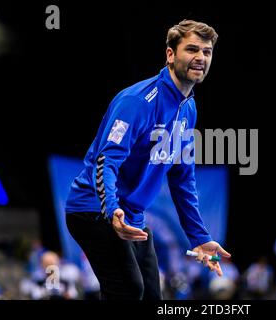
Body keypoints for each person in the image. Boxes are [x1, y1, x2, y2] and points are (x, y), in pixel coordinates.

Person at [64, 19, 231, 300]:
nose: (201, 58)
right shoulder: (138, 101)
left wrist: (200, 238)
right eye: (192, 49)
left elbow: (182, 178)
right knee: (129, 291)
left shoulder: (188, 108)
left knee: (153, 295)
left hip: (133, 216)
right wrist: (112, 211)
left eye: (207, 52)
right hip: (93, 209)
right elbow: (107, 161)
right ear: (170, 54)